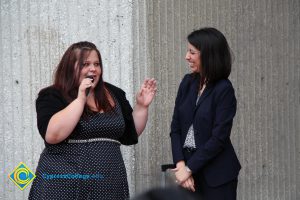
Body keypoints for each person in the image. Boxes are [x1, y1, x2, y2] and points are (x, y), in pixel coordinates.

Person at [29, 41, 157, 200]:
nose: (93, 69)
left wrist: (142, 106)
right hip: (64, 181)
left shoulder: (114, 93)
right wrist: (81, 98)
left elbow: (129, 133)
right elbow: (53, 135)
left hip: (108, 182)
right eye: (85, 64)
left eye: (97, 64)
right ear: (70, 67)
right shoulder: (52, 95)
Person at [170, 27, 241, 200]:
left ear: (208, 55)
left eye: (192, 52)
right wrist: (181, 167)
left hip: (217, 176)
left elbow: (219, 138)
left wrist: (188, 169)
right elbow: (176, 127)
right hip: (187, 174)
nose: (187, 57)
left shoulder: (224, 89)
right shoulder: (187, 83)